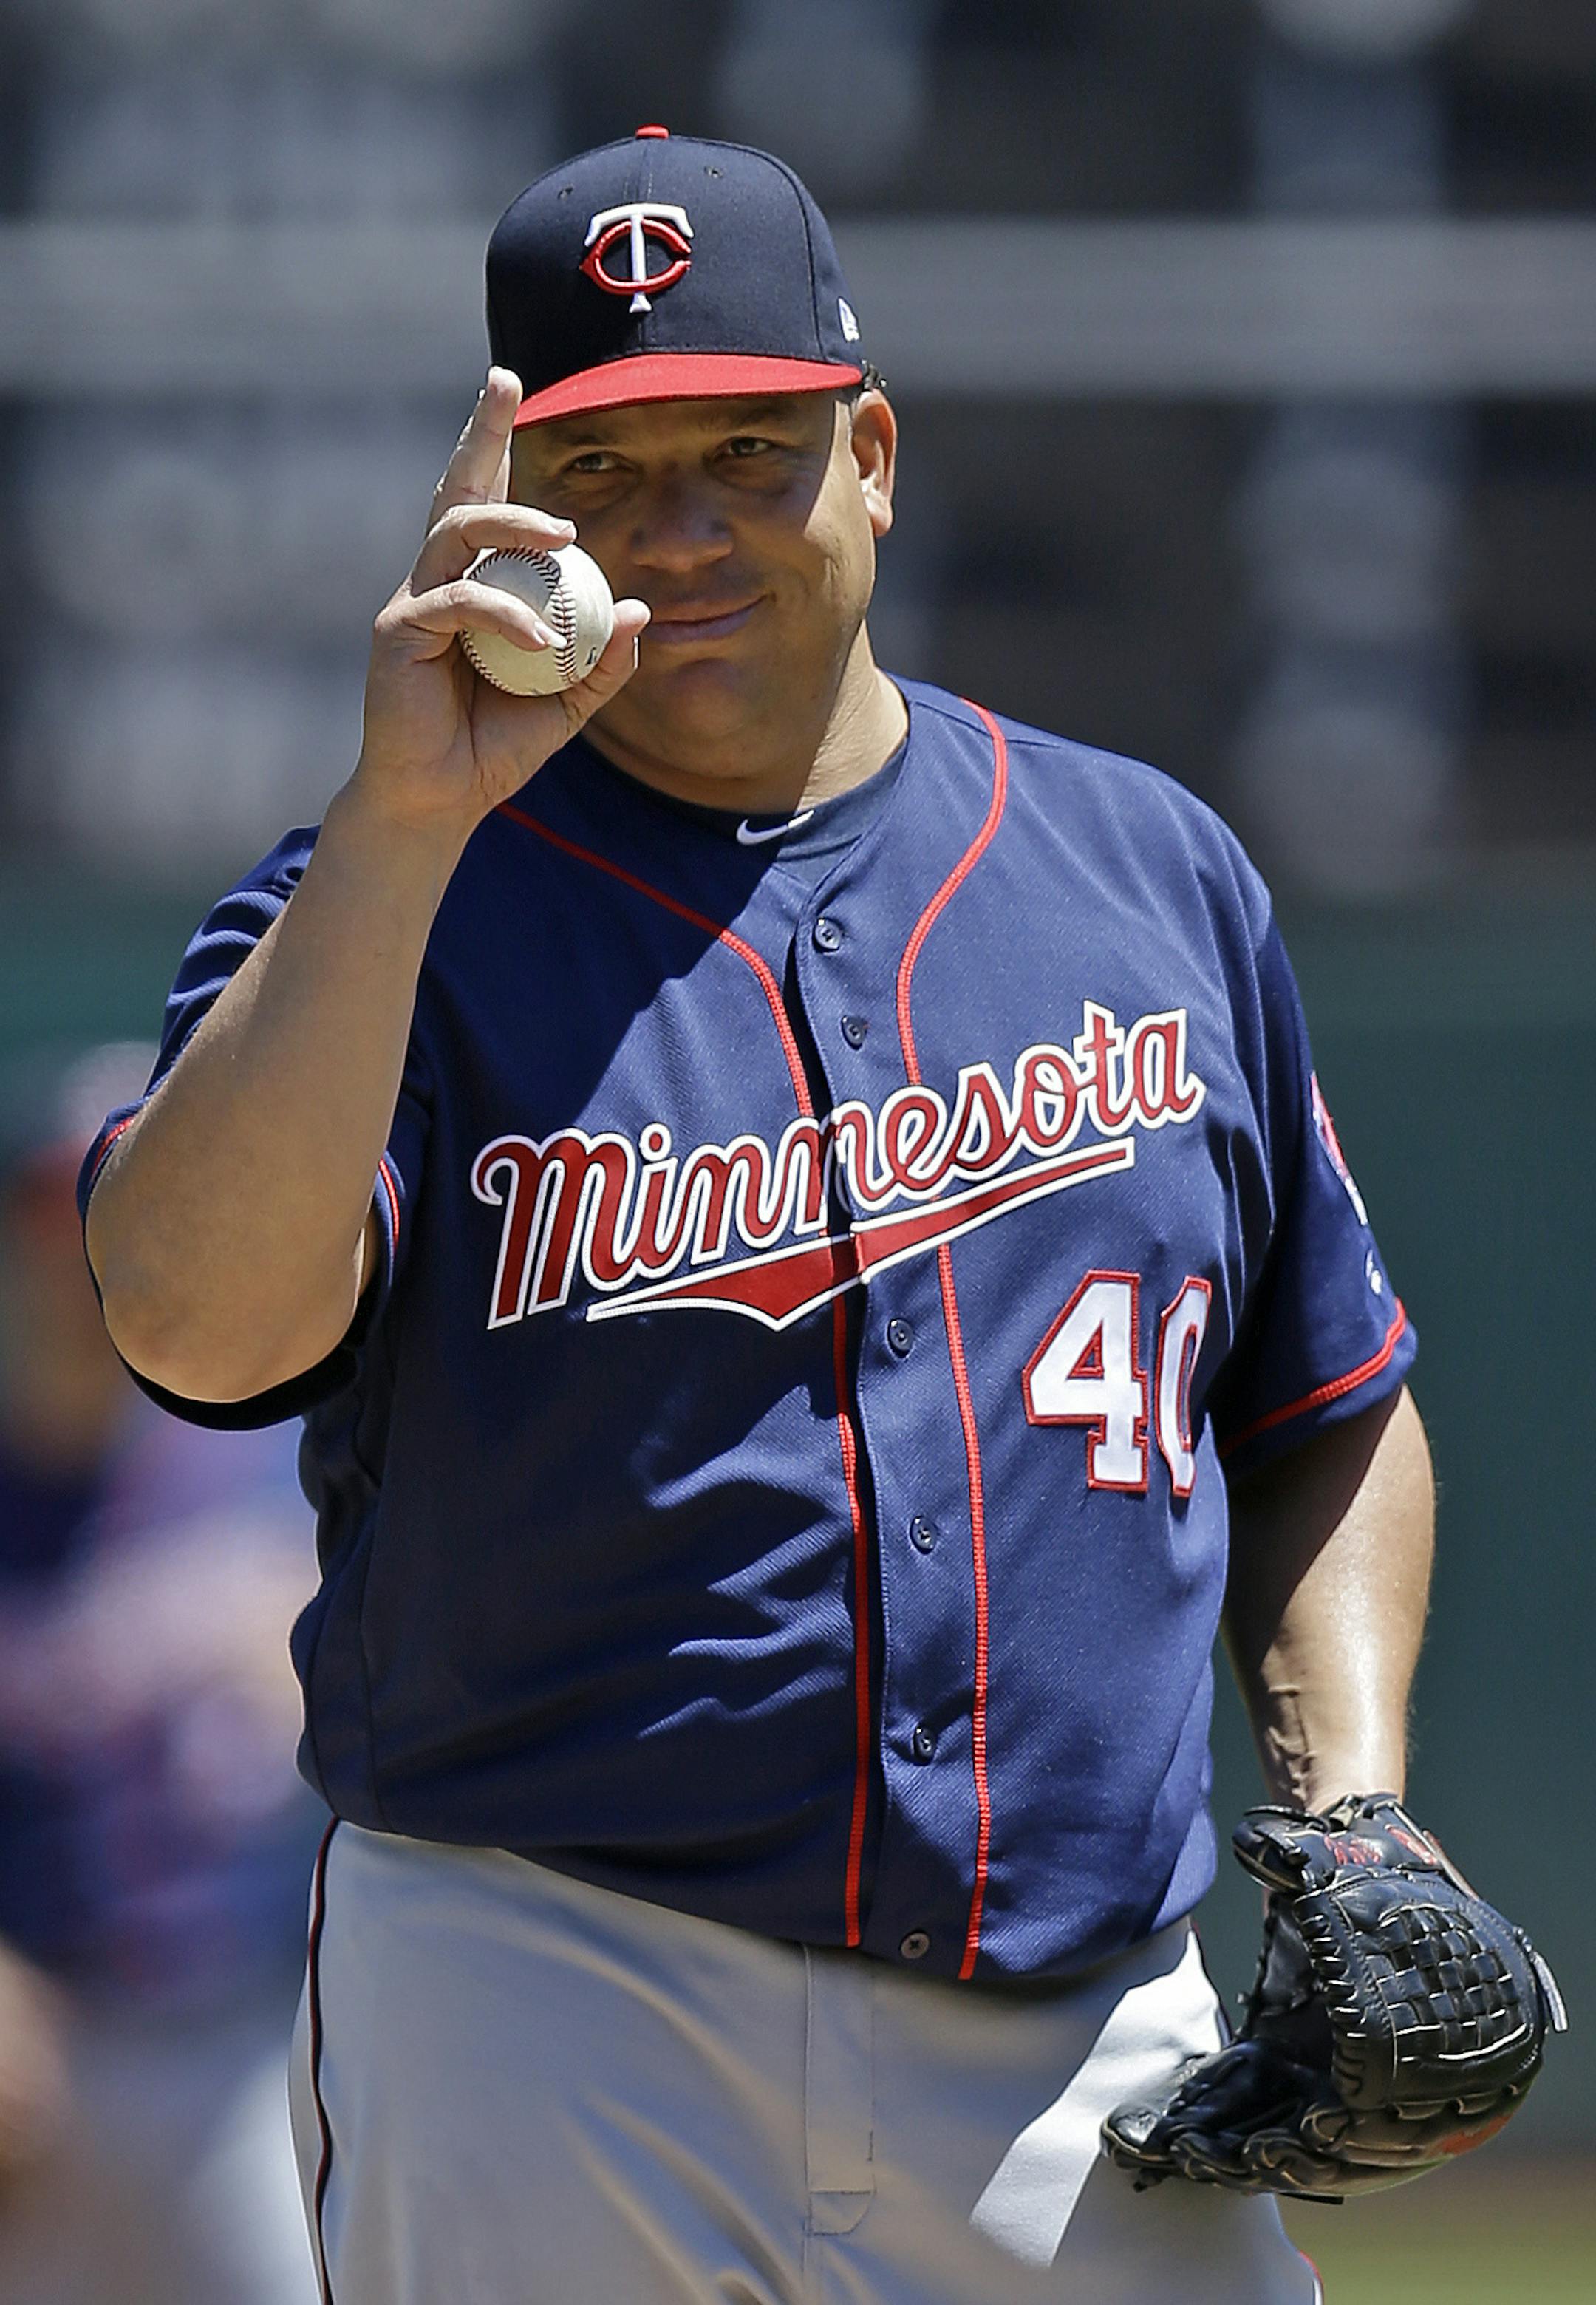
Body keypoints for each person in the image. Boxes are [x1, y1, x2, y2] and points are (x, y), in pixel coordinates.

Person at [78, 132, 1434, 2302]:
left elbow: (1328, 1395)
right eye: (605, 476)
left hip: (1076, 2023)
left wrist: (1352, 1806)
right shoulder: (375, 908)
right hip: (548, 1983)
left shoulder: (1148, 871)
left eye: (748, 453)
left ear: (871, 457)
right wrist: (404, 822)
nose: (684, 533)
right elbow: (198, 1330)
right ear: (503, 515)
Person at [0, 1047, 321, 2305]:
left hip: (250, 2045)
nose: (85, 1263)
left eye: (109, 1210)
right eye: (55, 1215)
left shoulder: (293, 1459)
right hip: (41, 2067)